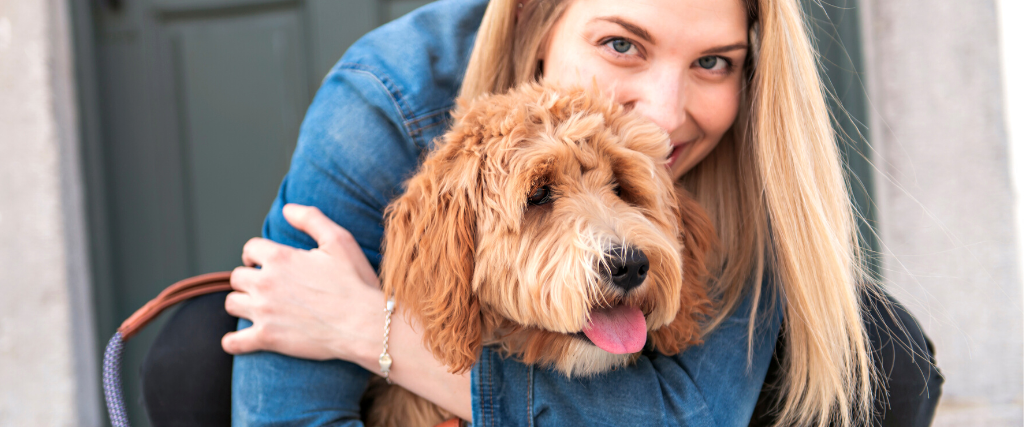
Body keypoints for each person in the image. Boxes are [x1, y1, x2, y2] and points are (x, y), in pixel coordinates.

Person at [145, 0, 942, 426]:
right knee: (206, 345)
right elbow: (283, 410)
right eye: (622, 44)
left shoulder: (751, 140)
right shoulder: (385, 98)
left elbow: (691, 418)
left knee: (878, 356)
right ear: (536, 17)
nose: (665, 116)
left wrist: (376, 333)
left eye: (713, 63)